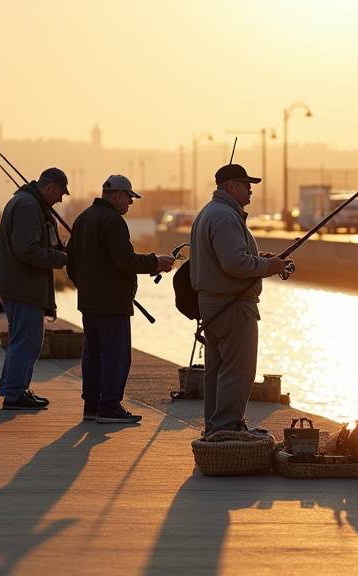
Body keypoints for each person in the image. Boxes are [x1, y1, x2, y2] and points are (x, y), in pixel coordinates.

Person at [189, 164, 290, 436]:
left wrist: (262, 260)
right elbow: (235, 264)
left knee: (217, 370)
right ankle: (227, 428)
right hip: (232, 306)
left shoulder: (209, 213)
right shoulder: (225, 217)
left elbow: (232, 259)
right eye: (246, 184)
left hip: (213, 305)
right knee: (238, 369)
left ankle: (215, 426)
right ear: (231, 187)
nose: (250, 190)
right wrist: (271, 267)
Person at [66, 175, 175, 424]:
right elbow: (125, 261)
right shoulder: (113, 221)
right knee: (115, 355)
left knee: (92, 354)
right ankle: (110, 407)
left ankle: (92, 406)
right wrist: (155, 262)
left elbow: (70, 261)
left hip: (88, 302)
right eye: (129, 198)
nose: (130, 203)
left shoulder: (83, 218)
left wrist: (85, 286)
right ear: (117, 195)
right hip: (112, 304)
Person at [0, 167, 69, 411]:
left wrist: (60, 249)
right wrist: (64, 259)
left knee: (21, 339)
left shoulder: (30, 204)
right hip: (23, 285)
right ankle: (14, 394)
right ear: (49, 187)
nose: (60, 199)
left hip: (21, 284)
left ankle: (13, 388)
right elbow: (27, 250)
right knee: (27, 341)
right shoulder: (27, 207)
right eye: (60, 193)